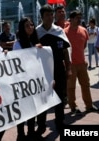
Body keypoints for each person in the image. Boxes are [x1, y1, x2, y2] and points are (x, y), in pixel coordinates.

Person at [36, 4, 71, 134]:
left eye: (51, 15)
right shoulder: (37, 32)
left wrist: (68, 68)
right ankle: (41, 125)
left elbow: (65, 51)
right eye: (47, 15)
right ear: (41, 17)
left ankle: (60, 122)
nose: (50, 17)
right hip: (42, 71)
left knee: (59, 97)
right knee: (43, 99)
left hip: (58, 69)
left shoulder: (59, 31)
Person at [64, 10, 99, 114]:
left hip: (82, 63)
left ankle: (89, 105)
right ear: (70, 19)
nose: (79, 19)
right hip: (71, 64)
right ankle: (73, 106)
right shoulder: (65, 32)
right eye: (77, 17)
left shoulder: (84, 30)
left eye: (80, 17)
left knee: (86, 84)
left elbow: (84, 45)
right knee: (71, 87)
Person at [13, 17, 43, 141]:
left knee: (33, 109)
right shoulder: (17, 44)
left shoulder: (36, 42)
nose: (30, 27)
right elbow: (18, 62)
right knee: (23, 110)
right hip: (22, 83)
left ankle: (31, 133)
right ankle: (21, 135)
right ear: (21, 28)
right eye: (26, 25)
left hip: (34, 82)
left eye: (31, 24)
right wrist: (33, 50)